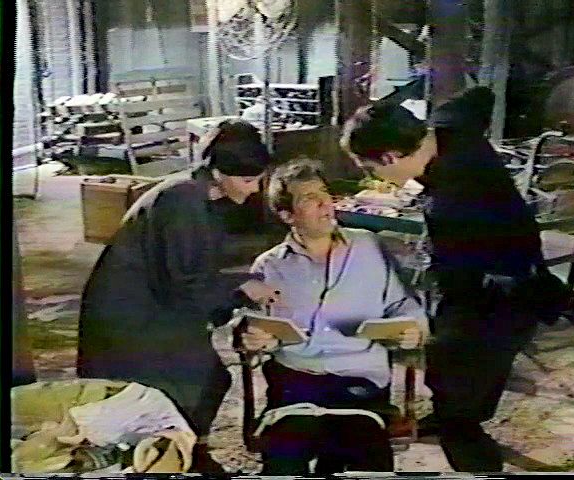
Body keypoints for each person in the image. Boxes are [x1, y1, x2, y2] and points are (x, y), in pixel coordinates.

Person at [341, 87, 546, 472]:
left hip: (501, 287)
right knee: (457, 364)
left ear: (390, 156)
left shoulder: (453, 201)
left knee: (459, 366)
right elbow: (480, 95)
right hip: (504, 260)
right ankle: (452, 412)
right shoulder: (452, 124)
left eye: (372, 170)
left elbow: (455, 284)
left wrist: (424, 320)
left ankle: (467, 442)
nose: (375, 178)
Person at [76, 119, 280, 472]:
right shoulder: (182, 201)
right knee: (200, 380)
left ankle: (189, 451)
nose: (254, 190)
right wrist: (241, 288)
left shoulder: (197, 194)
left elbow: (192, 273)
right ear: (218, 172)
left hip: (154, 306)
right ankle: (178, 457)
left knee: (212, 379)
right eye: (248, 181)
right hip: (132, 319)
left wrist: (236, 290)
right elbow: (184, 285)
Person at [239, 159, 427, 475]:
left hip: (360, 386)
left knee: (370, 465)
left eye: (325, 194)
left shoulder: (369, 246)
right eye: (309, 198)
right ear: (287, 215)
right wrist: (255, 339)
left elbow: (404, 306)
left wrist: (413, 330)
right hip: (295, 386)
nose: (325, 204)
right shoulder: (269, 266)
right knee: (283, 464)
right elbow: (255, 328)